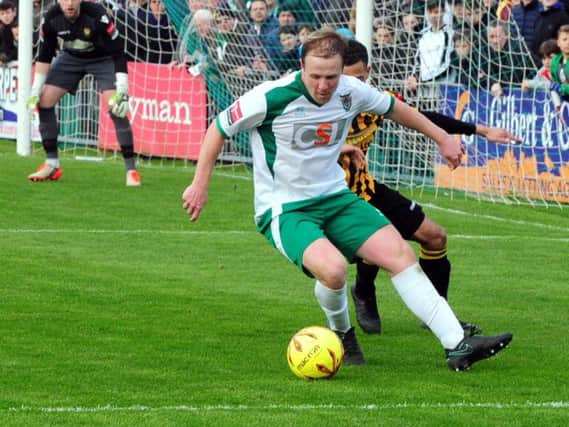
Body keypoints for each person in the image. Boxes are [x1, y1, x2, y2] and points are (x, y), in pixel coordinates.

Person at [182, 28, 513, 371]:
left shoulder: (351, 90)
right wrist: (199, 184)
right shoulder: (270, 97)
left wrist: (443, 138)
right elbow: (219, 128)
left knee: (399, 253)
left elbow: (397, 109)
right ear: (301, 67)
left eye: (331, 76)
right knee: (335, 271)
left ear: (342, 70)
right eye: (316, 76)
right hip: (284, 208)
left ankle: (456, 345)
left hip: (336, 197)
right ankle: (342, 333)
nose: (324, 85)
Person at [341, 39, 521, 340]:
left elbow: (421, 117)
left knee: (435, 237)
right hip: (333, 194)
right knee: (377, 239)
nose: (352, 86)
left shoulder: (374, 100)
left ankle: (440, 317)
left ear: (368, 73)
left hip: (365, 186)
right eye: (345, 79)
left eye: (358, 79)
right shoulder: (322, 104)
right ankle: (363, 292)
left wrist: (481, 130)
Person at [27, 0, 141, 186]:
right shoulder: (51, 17)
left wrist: (122, 89)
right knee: (44, 100)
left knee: (116, 106)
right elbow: (45, 54)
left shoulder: (97, 14)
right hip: (71, 58)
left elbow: (118, 52)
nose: (70, 3)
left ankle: (131, 170)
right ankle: (52, 164)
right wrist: (34, 90)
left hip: (103, 59)